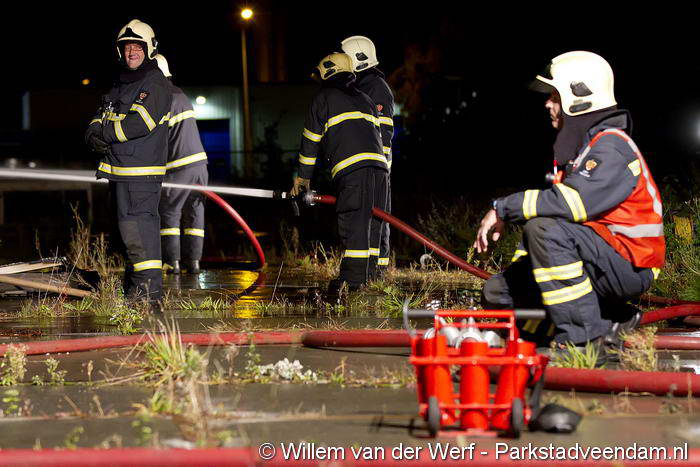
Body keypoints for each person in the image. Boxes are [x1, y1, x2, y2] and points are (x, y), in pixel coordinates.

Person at [473, 51, 664, 361]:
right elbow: (554, 220)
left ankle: (584, 343)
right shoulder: (582, 152)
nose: (548, 104)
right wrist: (520, 272)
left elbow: (571, 205)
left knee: (544, 229)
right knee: (497, 292)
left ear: (580, 97)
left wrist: (503, 207)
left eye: (554, 96)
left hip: (629, 265)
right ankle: (610, 318)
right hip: (597, 259)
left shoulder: (611, 147)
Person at [85, 19, 172, 308]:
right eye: (127, 47)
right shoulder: (122, 82)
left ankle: (148, 296)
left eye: (137, 46)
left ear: (149, 49)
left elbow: (140, 123)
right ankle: (134, 292)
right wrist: (92, 133)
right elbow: (102, 112)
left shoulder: (155, 83)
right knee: (126, 236)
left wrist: (105, 134)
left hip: (139, 176)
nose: (131, 52)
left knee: (139, 234)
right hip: (120, 173)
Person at [290, 53, 388, 292]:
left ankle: (352, 281)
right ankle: (371, 276)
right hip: (380, 169)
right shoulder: (365, 98)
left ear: (327, 72)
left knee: (354, 223)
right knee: (373, 224)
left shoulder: (323, 98)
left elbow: (310, 142)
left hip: (353, 170)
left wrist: (302, 178)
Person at [341, 36, 394, 276]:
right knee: (362, 220)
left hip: (375, 168)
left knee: (376, 221)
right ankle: (366, 269)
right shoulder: (360, 87)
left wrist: (376, 167)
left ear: (357, 60)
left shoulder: (376, 88)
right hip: (364, 167)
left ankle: (376, 272)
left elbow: (383, 133)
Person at [154, 54, 208, 275]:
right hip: (200, 166)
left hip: (178, 166)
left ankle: (172, 262)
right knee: (195, 212)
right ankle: (194, 263)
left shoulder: (161, 97)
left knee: (170, 212)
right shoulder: (180, 94)